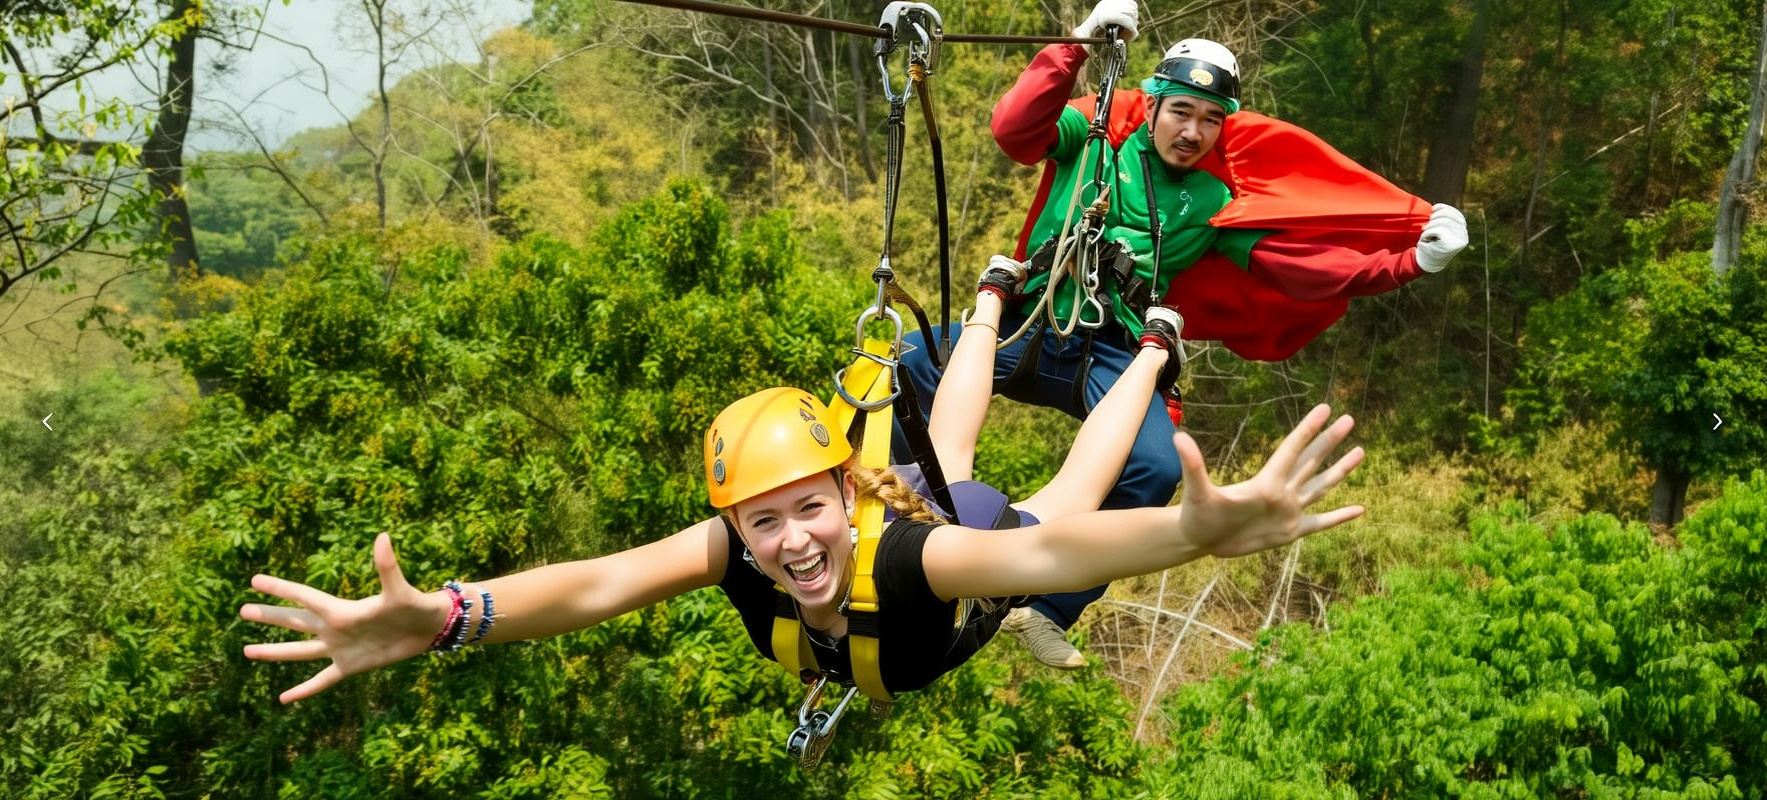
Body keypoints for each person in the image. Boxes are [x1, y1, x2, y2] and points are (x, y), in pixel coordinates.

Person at [239, 257, 1368, 707]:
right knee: (950, 452)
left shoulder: (917, 559)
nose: (789, 543)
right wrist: (443, 618)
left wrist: (1191, 532)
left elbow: (1047, 552)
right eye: (763, 521)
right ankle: (989, 296)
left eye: (808, 509)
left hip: (957, 538)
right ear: (736, 522)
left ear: (847, 493)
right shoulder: (738, 549)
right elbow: (595, 583)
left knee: (1059, 490)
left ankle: (1156, 348)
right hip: (910, 502)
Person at [896, 0, 1469, 668]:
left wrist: (1408, 261)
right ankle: (903, 513)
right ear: (1154, 104)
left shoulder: (1214, 201)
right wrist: (1077, 44)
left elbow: (1298, 267)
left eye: (1210, 120)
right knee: (908, 362)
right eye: (1181, 112)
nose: (1193, 131)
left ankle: (1044, 607)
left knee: (1156, 465)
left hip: (1111, 350)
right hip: (1035, 320)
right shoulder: (1091, 132)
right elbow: (1014, 129)